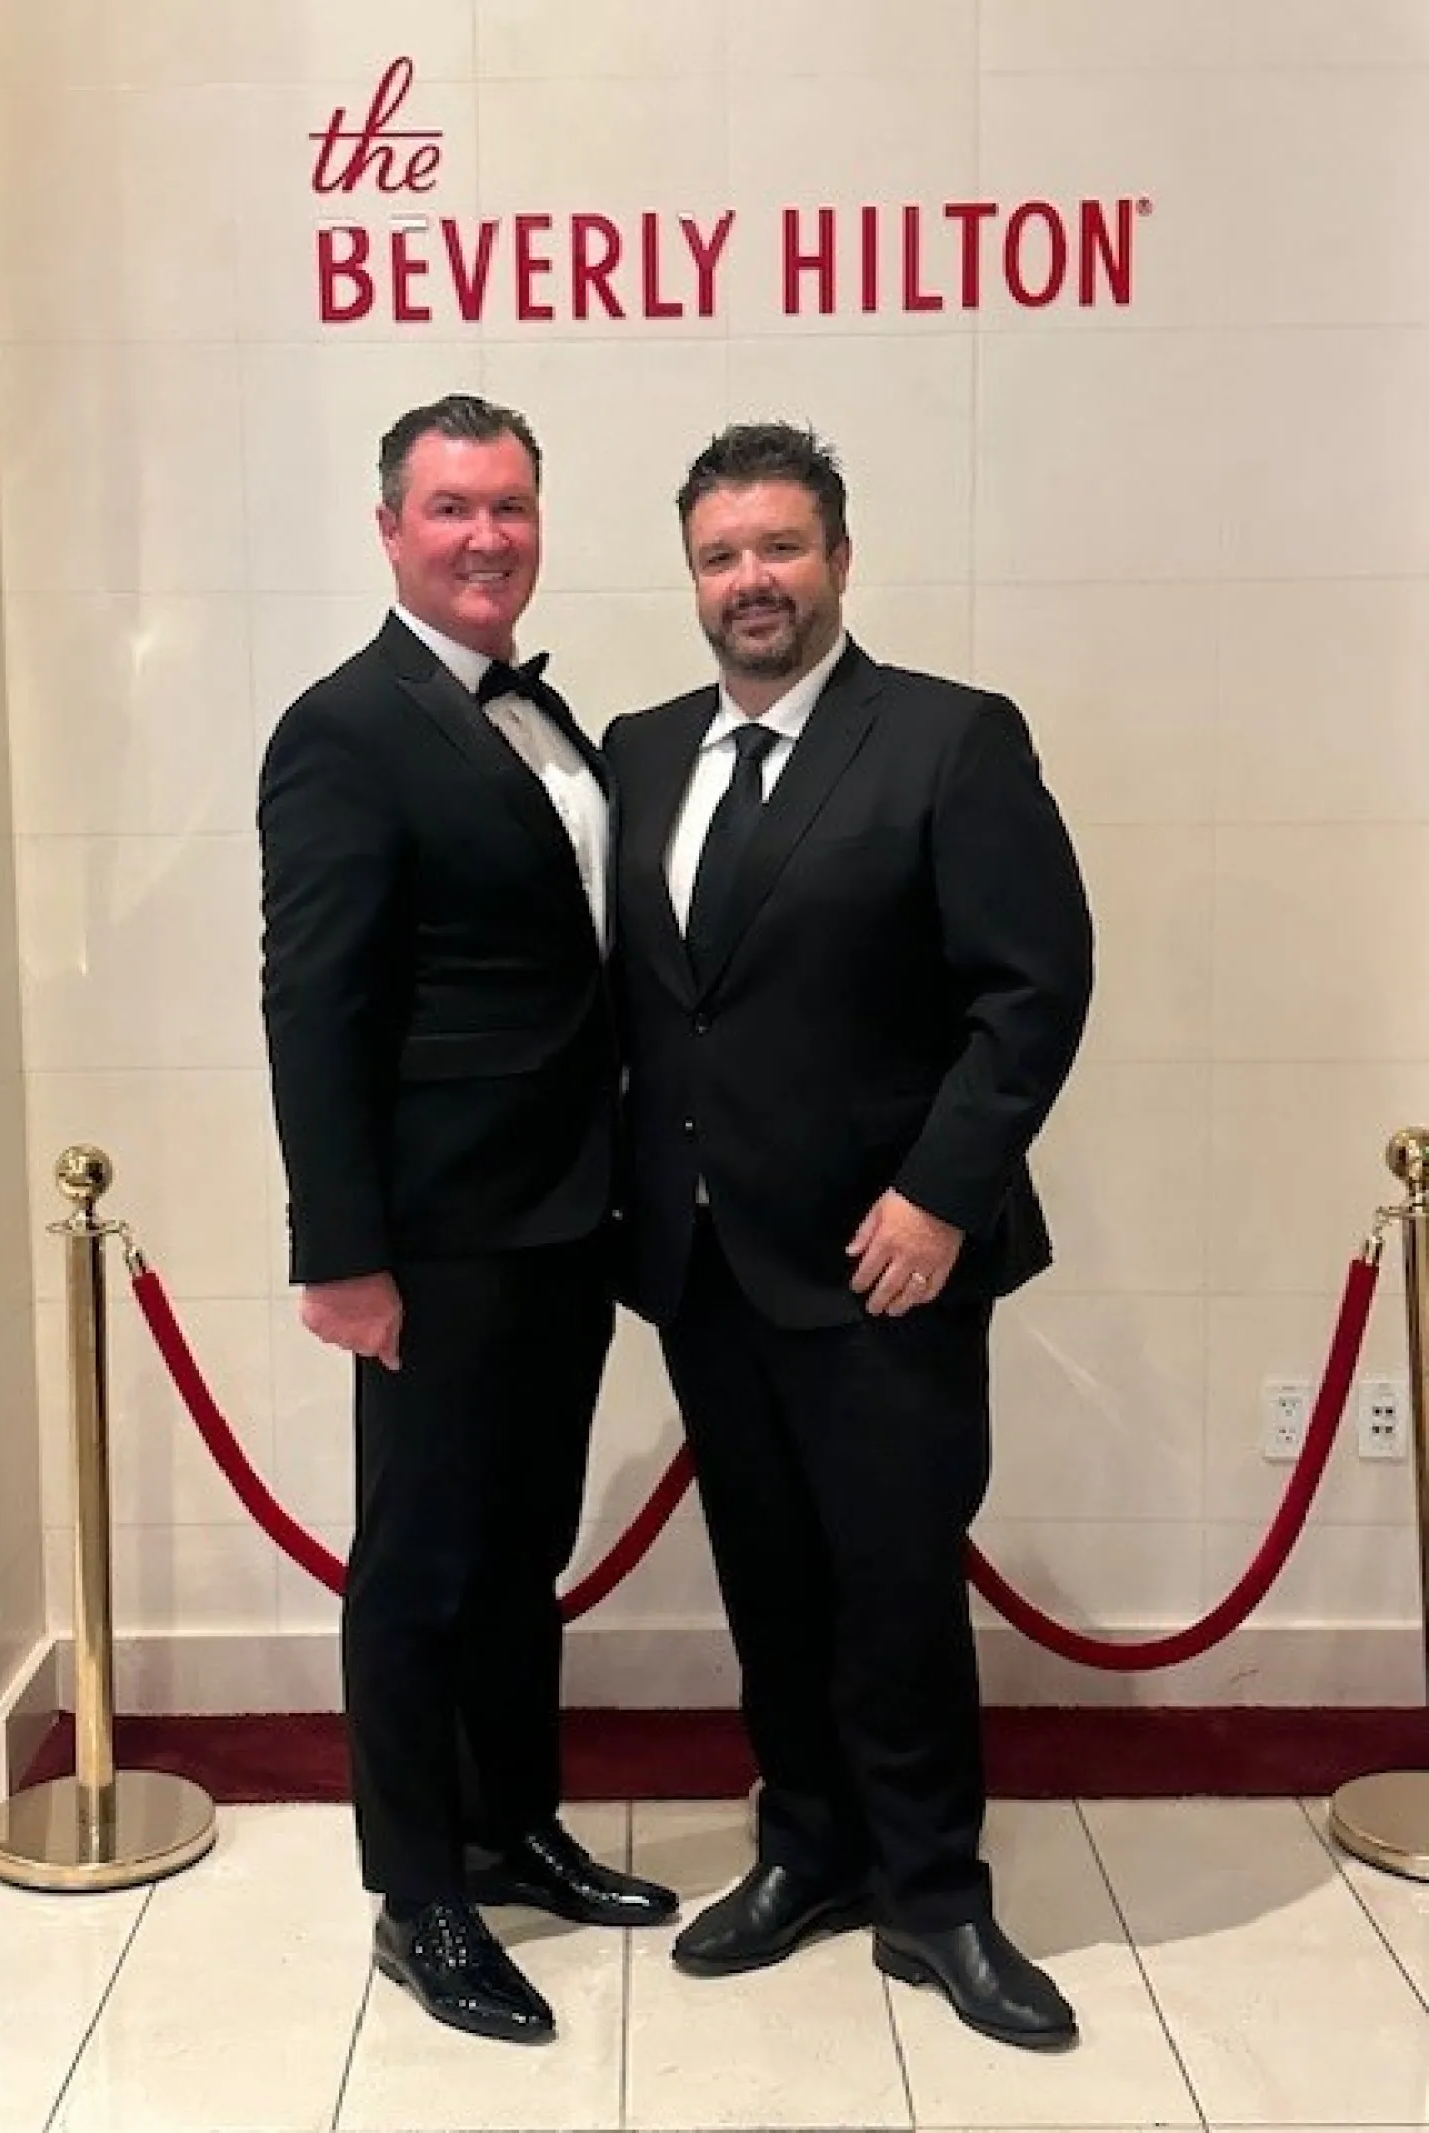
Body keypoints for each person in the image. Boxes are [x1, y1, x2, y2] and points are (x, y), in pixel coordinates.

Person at [604, 422, 1094, 2051]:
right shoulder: (644, 749)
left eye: (780, 547)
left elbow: (1031, 993)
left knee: (894, 1585)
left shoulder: (951, 741)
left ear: (840, 559)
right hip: (705, 1268)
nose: (752, 580)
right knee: (770, 1582)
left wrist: (945, 1193)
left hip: (890, 1264)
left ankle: (936, 1895)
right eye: (721, 556)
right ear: (692, 579)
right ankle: (805, 1848)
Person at [258, 392, 676, 2047]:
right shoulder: (345, 728)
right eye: (451, 509)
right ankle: (417, 1891)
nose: (486, 535)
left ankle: (511, 1827)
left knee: (523, 1551)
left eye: (510, 505)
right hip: (431, 1238)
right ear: (388, 532)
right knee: (420, 1567)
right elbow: (315, 1007)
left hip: (569, 1216)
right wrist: (339, 1253)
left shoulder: (545, 719)